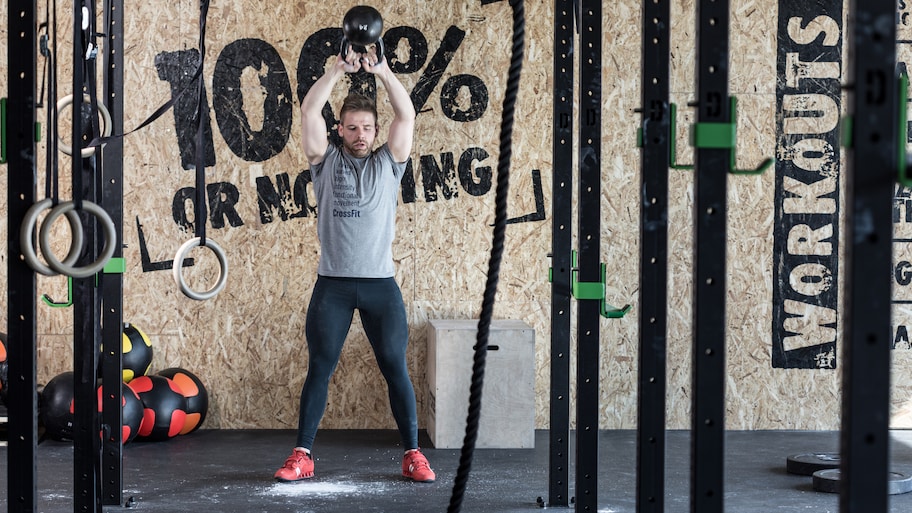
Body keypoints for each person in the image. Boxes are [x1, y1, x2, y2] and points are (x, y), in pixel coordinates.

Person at [273, 43, 435, 484]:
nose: (360, 134)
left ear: (375, 130)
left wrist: (382, 70)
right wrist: (336, 70)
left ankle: (413, 455)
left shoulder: (389, 163)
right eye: (352, 128)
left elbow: (407, 116)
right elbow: (309, 112)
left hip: (381, 286)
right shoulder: (324, 163)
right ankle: (303, 455)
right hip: (334, 287)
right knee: (320, 367)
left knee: (394, 367)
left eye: (367, 127)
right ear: (340, 130)